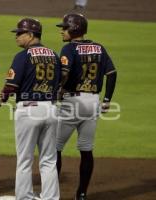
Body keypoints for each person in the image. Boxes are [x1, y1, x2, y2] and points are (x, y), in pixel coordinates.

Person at [55, 13, 117, 200]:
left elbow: (64, 72)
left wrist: (58, 90)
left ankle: (51, 192)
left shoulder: (69, 48)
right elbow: (112, 73)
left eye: (64, 28)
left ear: (74, 29)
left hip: (72, 102)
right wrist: (106, 100)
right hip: (93, 103)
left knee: (54, 147)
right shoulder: (98, 48)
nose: (62, 31)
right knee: (86, 149)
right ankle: (81, 194)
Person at [0, 18, 61, 200]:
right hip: (50, 109)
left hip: (28, 110)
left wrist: (1, 99)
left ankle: (24, 197)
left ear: (31, 34)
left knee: (25, 159)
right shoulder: (54, 55)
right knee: (49, 160)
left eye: (20, 33)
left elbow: (11, 85)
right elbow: (59, 84)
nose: (16, 36)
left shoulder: (22, 56)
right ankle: (50, 197)